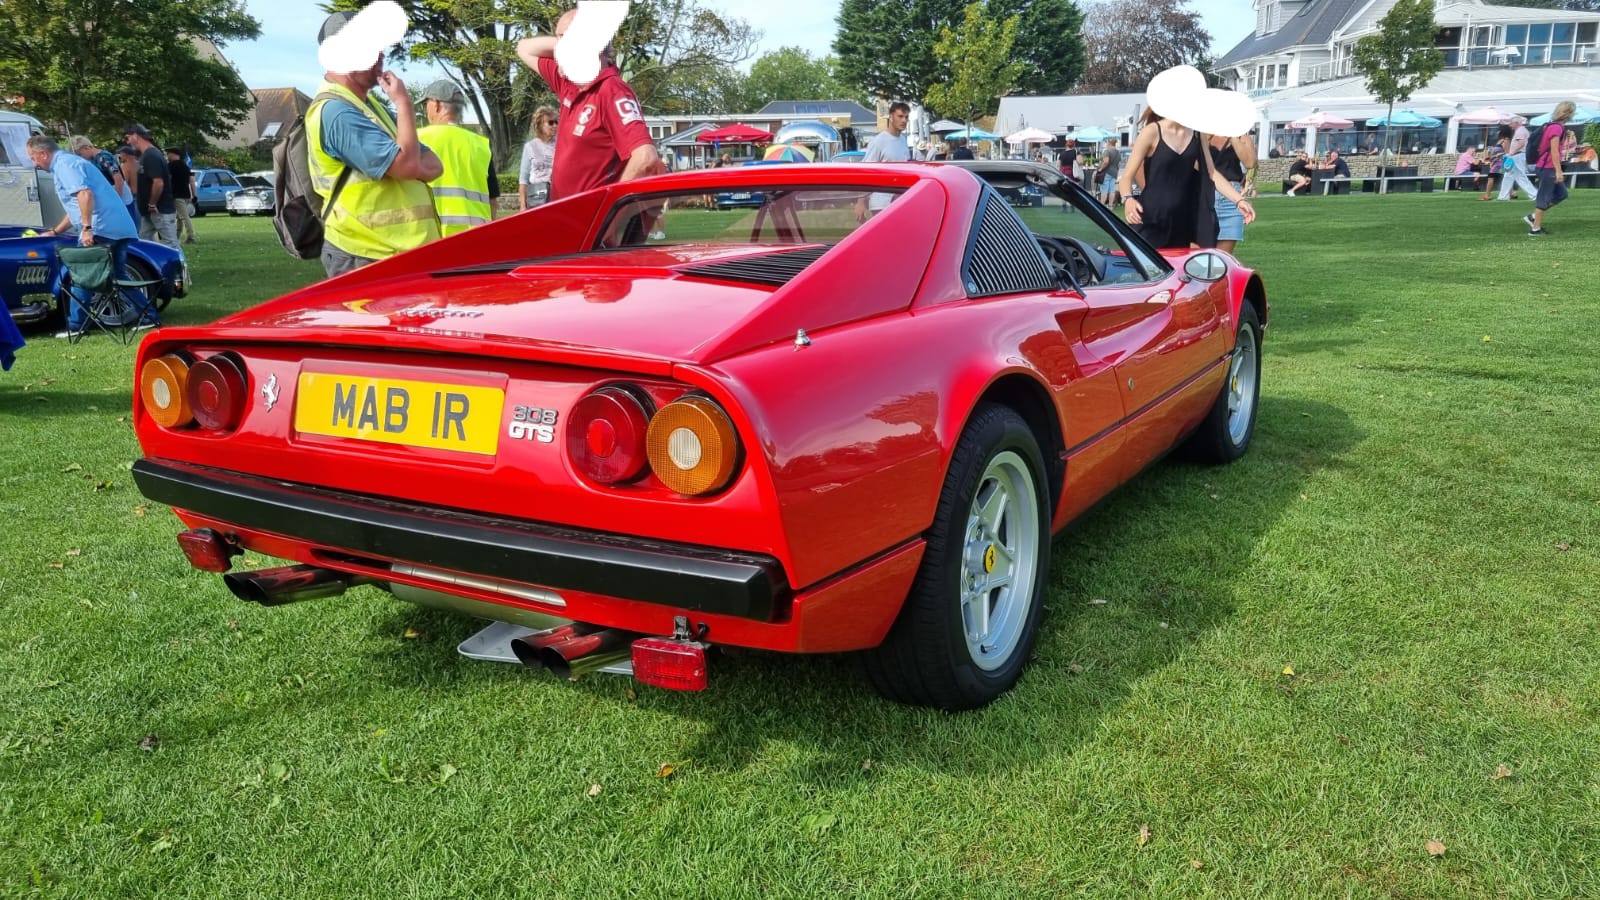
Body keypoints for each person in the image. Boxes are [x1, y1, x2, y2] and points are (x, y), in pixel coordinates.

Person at [309, 3, 444, 277]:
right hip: (366, 255)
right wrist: (404, 103)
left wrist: (409, 164)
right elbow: (409, 167)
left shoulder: (369, 107)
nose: (380, 55)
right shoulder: (337, 113)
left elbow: (434, 165)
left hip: (393, 254)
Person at [516, 8, 662, 201]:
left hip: (593, 222)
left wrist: (608, 210)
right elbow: (523, 48)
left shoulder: (612, 90)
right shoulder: (567, 82)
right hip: (565, 217)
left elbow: (645, 158)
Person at [24, 135, 153, 337]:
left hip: (102, 227)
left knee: (83, 276)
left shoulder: (65, 165)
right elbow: (76, 205)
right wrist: (57, 231)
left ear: (43, 153)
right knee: (119, 276)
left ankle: (76, 326)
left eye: (33, 158)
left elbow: (85, 195)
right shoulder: (70, 163)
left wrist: (86, 228)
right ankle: (149, 317)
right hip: (119, 227)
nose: (35, 163)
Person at [1118, 109, 1255, 249]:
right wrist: (1128, 199)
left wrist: (1238, 200)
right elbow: (1126, 177)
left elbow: (1211, 172)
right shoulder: (1152, 131)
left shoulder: (1197, 134)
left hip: (1182, 222)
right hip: (1149, 219)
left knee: (1181, 269)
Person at [416, 79, 496, 236]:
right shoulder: (480, 144)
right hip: (475, 236)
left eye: (426, 104)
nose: (426, 110)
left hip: (431, 236)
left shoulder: (417, 139)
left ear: (436, 104)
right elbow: (492, 200)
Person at [854, 100, 911, 223]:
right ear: (891, 117)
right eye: (900, 116)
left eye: (906, 117)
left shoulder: (903, 140)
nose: (904, 120)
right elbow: (865, 172)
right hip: (881, 203)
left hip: (900, 200)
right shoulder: (878, 141)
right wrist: (860, 202)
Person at [123, 123, 177, 248]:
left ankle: (180, 267)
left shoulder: (151, 155)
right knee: (144, 242)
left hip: (160, 209)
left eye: (128, 137)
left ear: (135, 136)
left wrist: (152, 203)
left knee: (171, 244)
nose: (128, 141)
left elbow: (158, 182)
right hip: (149, 211)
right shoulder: (145, 155)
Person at [1527, 100, 1574, 236]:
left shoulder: (1550, 126)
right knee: (1544, 196)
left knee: (1562, 194)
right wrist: (1558, 171)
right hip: (1548, 167)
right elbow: (1554, 151)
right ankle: (1535, 229)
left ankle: (1533, 217)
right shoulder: (1556, 128)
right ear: (1568, 113)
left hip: (1544, 165)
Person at [69, 136, 135, 226]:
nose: (81, 158)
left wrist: (115, 200)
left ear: (86, 147)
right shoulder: (92, 160)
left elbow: (118, 178)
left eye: (80, 154)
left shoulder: (103, 157)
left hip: (119, 196)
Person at [1208, 130, 1256, 253]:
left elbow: (1250, 162)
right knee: (1201, 257)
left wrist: (1233, 136)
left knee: (1223, 259)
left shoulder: (1241, 138)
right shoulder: (1204, 135)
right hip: (1205, 196)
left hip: (1231, 199)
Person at [518, 105, 557, 210]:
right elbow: (523, 179)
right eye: (550, 122)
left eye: (556, 122)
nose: (554, 125)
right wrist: (522, 206)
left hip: (556, 197)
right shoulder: (530, 147)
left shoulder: (561, 144)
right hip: (536, 199)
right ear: (540, 124)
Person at [1496, 118, 1536, 202]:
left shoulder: (1520, 131)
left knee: (1519, 176)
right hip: (1516, 155)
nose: (1510, 125)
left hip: (1517, 156)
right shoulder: (1521, 130)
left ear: (1516, 123)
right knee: (1509, 175)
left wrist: (1511, 153)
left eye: (1511, 123)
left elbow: (1521, 144)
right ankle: (1503, 196)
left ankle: (1534, 194)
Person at [166, 146, 196, 244]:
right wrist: (193, 194)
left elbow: (168, 179)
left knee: (183, 216)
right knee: (179, 217)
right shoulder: (185, 165)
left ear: (173, 154)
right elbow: (191, 180)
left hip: (176, 194)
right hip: (186, 194)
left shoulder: (171, 166)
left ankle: (191, 236)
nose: (167, 156)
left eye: (168, 153)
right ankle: (177, 235)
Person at [115, 146, 141, 227]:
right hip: (143, 196)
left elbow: (123, 182)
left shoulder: (125, 166)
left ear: (126, 154)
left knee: (135, 224)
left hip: (133, 197)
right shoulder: (139, 164)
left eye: (121, 154)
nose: (120, 156)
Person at [1095, 137, 1121, 206]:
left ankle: (1102, 205)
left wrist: (1101, 169)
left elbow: (1106, 162)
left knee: (1104, 190)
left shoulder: (1107, 151)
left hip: (1106, 173)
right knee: (1112, 190)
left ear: (1109, 143)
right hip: (1114, 173)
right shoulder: (1118, 152)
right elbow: (1119, 164)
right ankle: (1110, 205)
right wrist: (1116, 171)